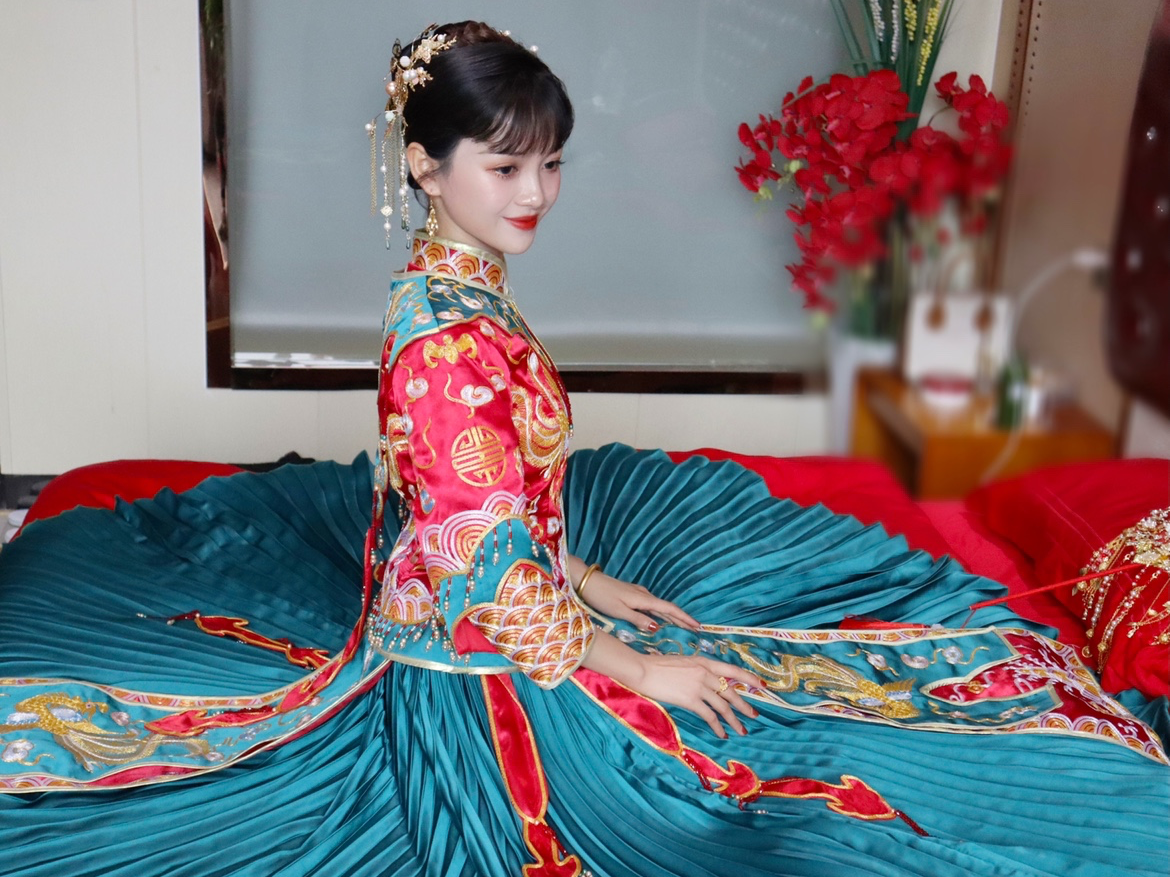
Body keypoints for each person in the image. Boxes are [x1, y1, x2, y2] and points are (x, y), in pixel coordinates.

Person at [0, 20, 1166, 877]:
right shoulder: (446, 341)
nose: (538, 191)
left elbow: (473, 503)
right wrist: (634, 667)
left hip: (469, 598)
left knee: (759, 681)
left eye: (550, 161)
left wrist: (589, 574)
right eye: (506, 165)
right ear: (425, 166)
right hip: (474, 672)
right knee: (731, 778)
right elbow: (487, 560)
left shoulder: (454, 287)